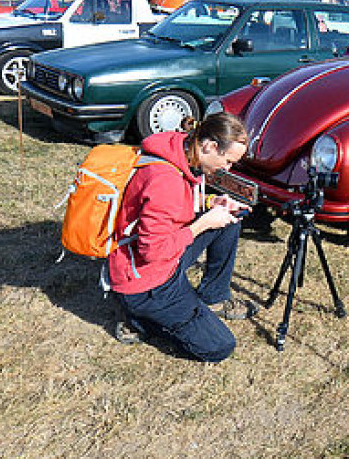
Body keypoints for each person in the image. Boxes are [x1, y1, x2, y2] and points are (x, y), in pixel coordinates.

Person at [107, 113, 251, 361]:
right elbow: (151, 252)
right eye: (227, 160)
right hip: (147, 281)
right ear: (209, 146)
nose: (228, 169)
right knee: (219, 347)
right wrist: (202, 224)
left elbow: (172, 208)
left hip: (156, 258)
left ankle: (213, 297)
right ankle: (140, 320)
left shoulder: (179, 149)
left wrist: (210, 202)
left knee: (228, 222)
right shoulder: (165, 180)